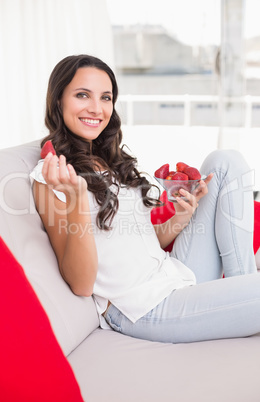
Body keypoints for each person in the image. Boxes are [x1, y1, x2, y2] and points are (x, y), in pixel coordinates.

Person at [30, 54, 260, 343]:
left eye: (105, 97)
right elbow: (81, 283)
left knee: (225, 160)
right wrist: (77, 199)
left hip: (171, 275)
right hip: (142, 309)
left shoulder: (106, 159)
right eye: (82, 95)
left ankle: (244, 285)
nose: (96, 108)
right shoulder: (50, 176)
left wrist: (181, 217)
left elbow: (139, 243)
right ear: (58, 100)